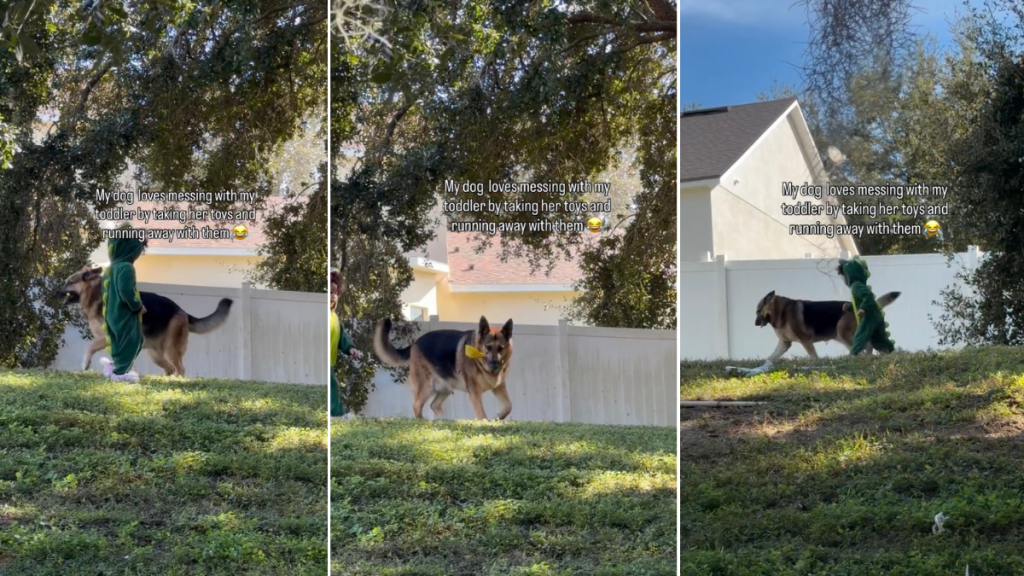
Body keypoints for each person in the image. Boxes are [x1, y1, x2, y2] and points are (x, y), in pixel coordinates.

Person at [99, 236, 148, 382]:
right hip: (124, 314)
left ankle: (114, 366)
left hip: (111, 314)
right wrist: (137, 306)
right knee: (132, 342)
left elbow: (105, 289)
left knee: (118, 343)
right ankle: (120, 373)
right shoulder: (126, 267)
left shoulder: (110, 268)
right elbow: (126, 291)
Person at [330, 269, 362, 417]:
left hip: (330, 362)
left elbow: (342, 336)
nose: (332, 296)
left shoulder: (334, 317)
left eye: (335, 292)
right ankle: (336, 414)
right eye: (329, 293)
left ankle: (336, 414)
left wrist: (350, 349)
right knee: (332, 385)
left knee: (333, 385)